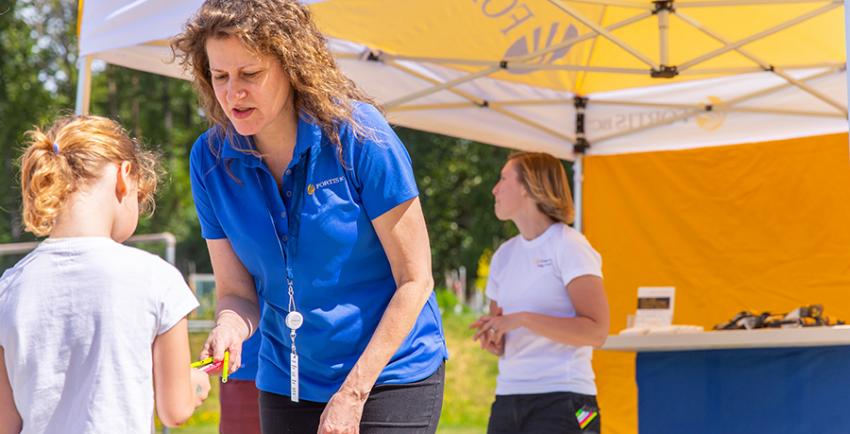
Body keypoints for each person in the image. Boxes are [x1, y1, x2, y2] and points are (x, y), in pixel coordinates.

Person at [171, 1, 448, 433]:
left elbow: (415, 280)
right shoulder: (208, 160)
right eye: (219, 76)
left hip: (390, 374)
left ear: (291, 65)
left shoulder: (360, 135)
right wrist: (229, 326)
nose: (232, 93)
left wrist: (352, 394)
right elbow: (237, 293)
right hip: (290, 380)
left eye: (250, 75)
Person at [0, 115, 210, 434]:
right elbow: (175, 410)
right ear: (124, 176)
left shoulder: (9, 288)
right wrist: (195, 383)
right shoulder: (156, 278)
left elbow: (7, 423)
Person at [471, 152, 610, 434]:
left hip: (569, 401)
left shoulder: (569, 246)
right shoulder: (503, 255)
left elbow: (597, 331)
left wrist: (522, 319)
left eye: (503, 178)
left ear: (528, 186)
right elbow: (501, 332)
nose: (494, 189)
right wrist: (493, 337)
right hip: (508, 400)